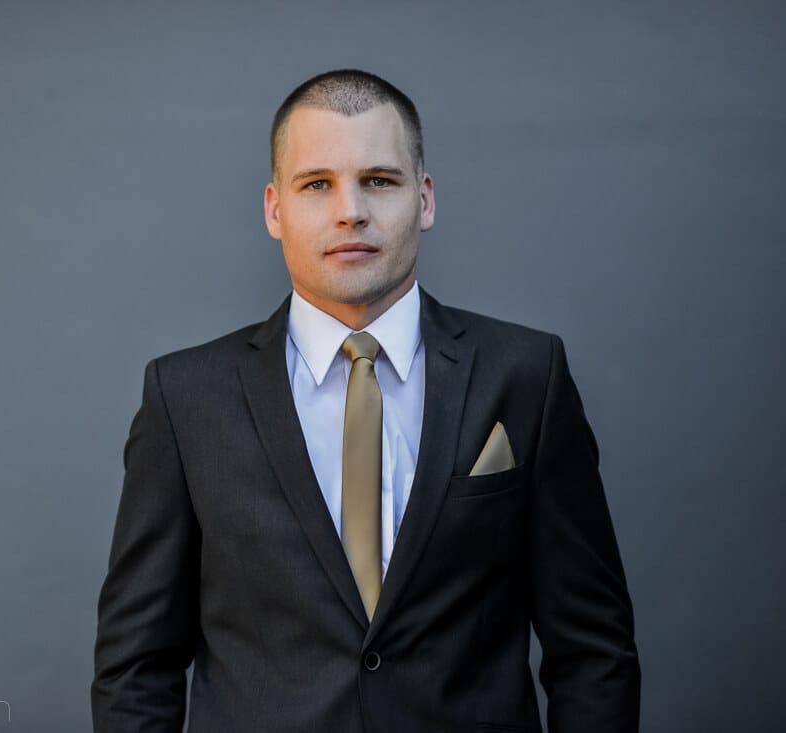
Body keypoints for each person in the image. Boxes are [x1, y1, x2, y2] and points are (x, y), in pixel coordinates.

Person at [91, 69, 640, 732]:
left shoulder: (527, 376)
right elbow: (135, 666)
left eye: (379, 180)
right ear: (274, 209)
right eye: (317, 184)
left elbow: (593, 650)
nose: (350, 209)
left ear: (426, 199)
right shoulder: (185, 398)